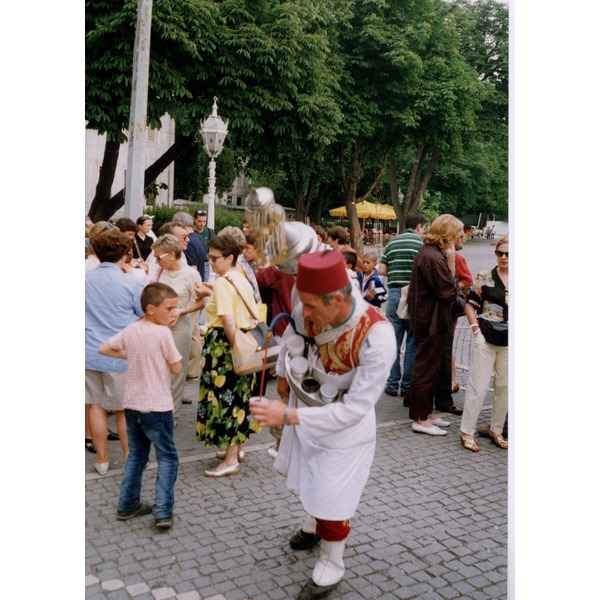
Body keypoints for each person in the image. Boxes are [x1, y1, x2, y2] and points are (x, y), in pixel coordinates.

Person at [249, 250, 395, 600]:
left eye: (312, 306)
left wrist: (287, 416)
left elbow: (355, 409)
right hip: (306, 405)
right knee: (309, 476)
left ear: (340, 298)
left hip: (345, 428)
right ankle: (315, 523)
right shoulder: (308, 306)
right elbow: (290, 339)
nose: (304, 311)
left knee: (334, 493)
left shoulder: (378, 336)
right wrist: (283, 377)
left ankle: (333, 563)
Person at [99, 282, 183, 529]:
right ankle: (163, 511)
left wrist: (130, 355)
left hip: (132, 405)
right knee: (168, 457)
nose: (173, 313)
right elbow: (177, 366)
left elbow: (104, 348)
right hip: (157, 406)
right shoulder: (163, 334)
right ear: (150, 308)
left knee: (136, 456)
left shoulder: (131, 329)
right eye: (169, 309)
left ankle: (127, 505)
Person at [196, 235, 262, 477]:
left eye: (214, 258)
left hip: (225, 347)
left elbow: (227, 321)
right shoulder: (239, 276)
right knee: (240, 400)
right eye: (209, 257)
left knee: (226, 402)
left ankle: (230, 459)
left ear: (229, 258)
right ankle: (237, 450)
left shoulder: (225, 282)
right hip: (246, 340)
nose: (210, 262)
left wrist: (236, 351)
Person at [85, 229, 146, 474]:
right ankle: (130, 457)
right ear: (123, 253)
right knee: (124, 410)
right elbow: (143, 312)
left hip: (89, 351)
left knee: (95, 405)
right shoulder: (131, 281)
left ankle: (102, 459)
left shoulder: (83, 279)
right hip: (119, 354)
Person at [405, 214, 464, 436]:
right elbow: (448, 291)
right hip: (430, 322)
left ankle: (426, 413)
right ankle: (419, 418)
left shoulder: (431, 253)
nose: (462, 238)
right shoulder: (432, 256)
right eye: (459, 234)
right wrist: (451, 262)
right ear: (448, 234)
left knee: (431, 369)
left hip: (431, 320)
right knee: (425, 369)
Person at [459, 238, 509, 452]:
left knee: (504, 388)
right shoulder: (484, 277)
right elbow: (470, 305)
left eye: (508, 254)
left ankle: (496, 429)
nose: (504, 258)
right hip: (486, 338)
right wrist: (476, 330)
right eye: (500, 253)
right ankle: (467, 431)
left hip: (510, 343)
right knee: (477, 387)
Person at [153, 234, 209, 421]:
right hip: (158, 328)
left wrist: (182, 311)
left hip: (178, 328)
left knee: (175, 374)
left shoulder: (190, 274)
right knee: (158, 371)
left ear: (171, 255)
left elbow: (202, 303)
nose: (156, 260)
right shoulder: (160, 272)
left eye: (158, 257)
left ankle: (172, 416)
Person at [376, 211, 426, 398]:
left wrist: (396, 272)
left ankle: (392, 383)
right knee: (413, 341)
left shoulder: (392, 242)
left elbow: (381, 269)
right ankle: (407, 386)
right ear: (419, 226)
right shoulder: (421, 244)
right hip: (414, 294)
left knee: (394, 341)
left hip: (395, 293)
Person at [193, 208, 214, 281]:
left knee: (203, 286)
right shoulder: (190, 232)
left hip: (205, 265)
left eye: (204, 221)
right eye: (199, 221)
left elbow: (216, 246)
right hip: (192, 264)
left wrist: (211, 256)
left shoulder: (209, 232)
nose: (202, 224)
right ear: (194, 219)